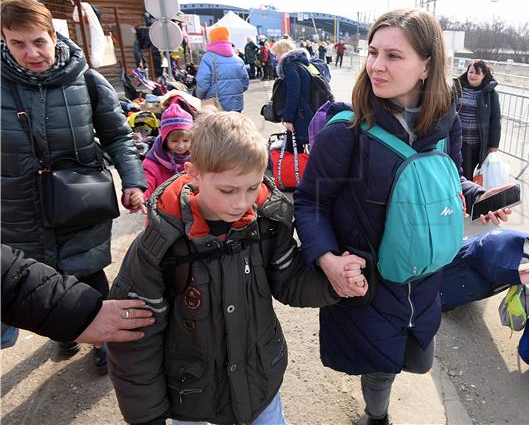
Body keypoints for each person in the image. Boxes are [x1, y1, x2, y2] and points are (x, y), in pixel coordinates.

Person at [294, 8, 512, 425]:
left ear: (427, 65)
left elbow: (449, 179)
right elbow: (310, 204)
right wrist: (328, 261)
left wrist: (477, 195)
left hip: (426, 278)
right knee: (379, 368)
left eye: (393, 55)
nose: (376, 65)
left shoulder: (444, 121)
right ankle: (376, 418)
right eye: (373, 52)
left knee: (414, 358)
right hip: (369, 283)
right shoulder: (347, 132)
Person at [107, 112, 366, 425]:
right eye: (228, 190)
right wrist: (146, 417)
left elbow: (289, 280)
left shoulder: (268, 224)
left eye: (251, 188)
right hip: (190, 397)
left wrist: (334, 283)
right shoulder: (159, 246)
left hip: (259, 384)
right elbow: (135, 336)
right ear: (194, 174)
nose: (240, 203)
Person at [1, 0, 147, 372]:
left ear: (54, 35)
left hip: (79, 205)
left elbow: (118, 136)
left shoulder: (85, 80)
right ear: (4, 40)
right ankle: (64, 330)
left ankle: (104, 340)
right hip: (18, 209)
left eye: (39, 41)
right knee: (35, 279)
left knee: (88, 274)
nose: (31, 52)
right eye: (18, 44)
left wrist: (133, 180)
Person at [2, 244, 154, 345]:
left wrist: (82, 315)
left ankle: (95, 334)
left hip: (79, 224)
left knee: (91, 274)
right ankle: (68, 336)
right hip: (26, 231)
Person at [453, 59, 501, 181]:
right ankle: (464, 197)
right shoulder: (457, 88)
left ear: (483, 75)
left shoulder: (490, 93)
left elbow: (495, 119)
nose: (472, 75)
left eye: (477, 73)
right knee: (463, 174)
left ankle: (472, 197)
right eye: (471, 72)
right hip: (460, 141)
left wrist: (493, 144)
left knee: (477, 175)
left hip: (480, 143)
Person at [142, 103, 193, 199]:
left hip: (190, 210)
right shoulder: (152, 163)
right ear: (165, 140)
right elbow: (146, 184)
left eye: (186, 140)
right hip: (162, 212)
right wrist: (140, 196)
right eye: (174, 141)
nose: (181, 146)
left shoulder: (198, 158)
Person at [195, 26, 250, 112]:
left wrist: (199, 96)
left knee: (217, 125)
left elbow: (203, 83)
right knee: (235, 125)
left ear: (212, 39)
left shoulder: (208, 58)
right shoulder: (238, 60)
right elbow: (245, 84)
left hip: (215, 106)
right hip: (236, 105)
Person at [272, 38, 314, 148]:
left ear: (282, 52)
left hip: (299, 114)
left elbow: (293, 94)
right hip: (307, 111)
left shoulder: (289, 67)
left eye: (276, 54)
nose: (275, 58)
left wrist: (288, 119)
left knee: (294, 149)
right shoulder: (300, 64)